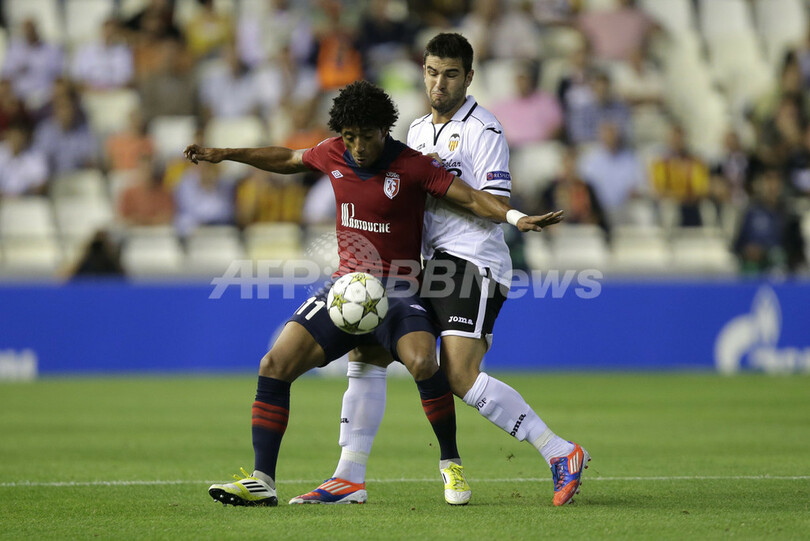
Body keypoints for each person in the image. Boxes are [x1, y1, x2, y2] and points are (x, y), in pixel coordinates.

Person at [183, 79, 563, 508]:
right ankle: (263, 480)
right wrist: (224, 154)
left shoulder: (413, 165)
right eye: (350, 137)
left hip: (401, 288)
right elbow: (287, 158)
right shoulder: (332, 152)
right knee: (274, 364)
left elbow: (473, 199)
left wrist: (515, 217)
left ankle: (450, 462)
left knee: (424, 362)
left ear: (385, 129)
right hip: (346, 287)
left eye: (367, 136)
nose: (358, 147)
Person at [290, 33, 588, 508]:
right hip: (428, 264)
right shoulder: (416, 130)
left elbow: (490, 200)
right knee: (368, 352)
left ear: (468, 78)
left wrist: (439, 183)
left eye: (450, 74)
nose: (439, 83)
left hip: (471, 260)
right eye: (431, 72)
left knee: (459, 375)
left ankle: (559, 451)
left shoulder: (484, 130)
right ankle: (348, 475)